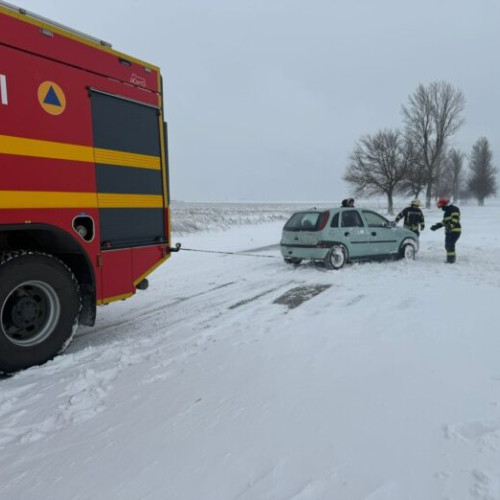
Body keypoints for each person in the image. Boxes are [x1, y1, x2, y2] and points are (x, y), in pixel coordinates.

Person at [430, 198, 462, 263]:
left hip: (455, 230)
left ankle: (451, 260)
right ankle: (450, 259)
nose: (442, 209)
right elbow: (444, 222)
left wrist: (450, 226)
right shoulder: (446, 213)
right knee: (447, 245)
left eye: (442, 207)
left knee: (450, 245)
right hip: (449, 231)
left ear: (445, 205)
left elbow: (455, 219)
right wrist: (436, 226)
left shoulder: (454, 209)